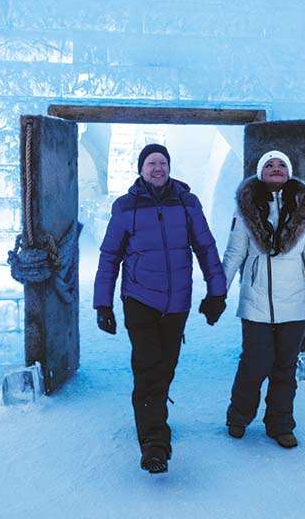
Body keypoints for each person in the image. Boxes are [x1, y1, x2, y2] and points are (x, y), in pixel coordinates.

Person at [94, 143, 228, 474]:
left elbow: (206, 247)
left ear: (169, 167)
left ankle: (154, 417)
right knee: (148, 367)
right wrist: (103, 304)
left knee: (165, 368)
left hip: (177, 303)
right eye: (151, 162)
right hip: (140, 300)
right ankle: (154, 443)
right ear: (141, 169)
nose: (158, 168)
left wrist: (217, 293)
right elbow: (110, 257)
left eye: (163, 162)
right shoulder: (126, 207)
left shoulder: (187, 202)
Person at [221, 150, 305, 448]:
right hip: (255, 303)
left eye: (282, 165)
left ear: (289, 172)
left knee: (285, 368)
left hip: (294, 305)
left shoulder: (304, 211)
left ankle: (280, 424)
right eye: (270, 165)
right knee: (254, 363)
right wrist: (217, 292)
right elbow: (234, 254)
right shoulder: (245, 211)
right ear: (260, 172)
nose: (276, 169)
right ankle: (239, 416)